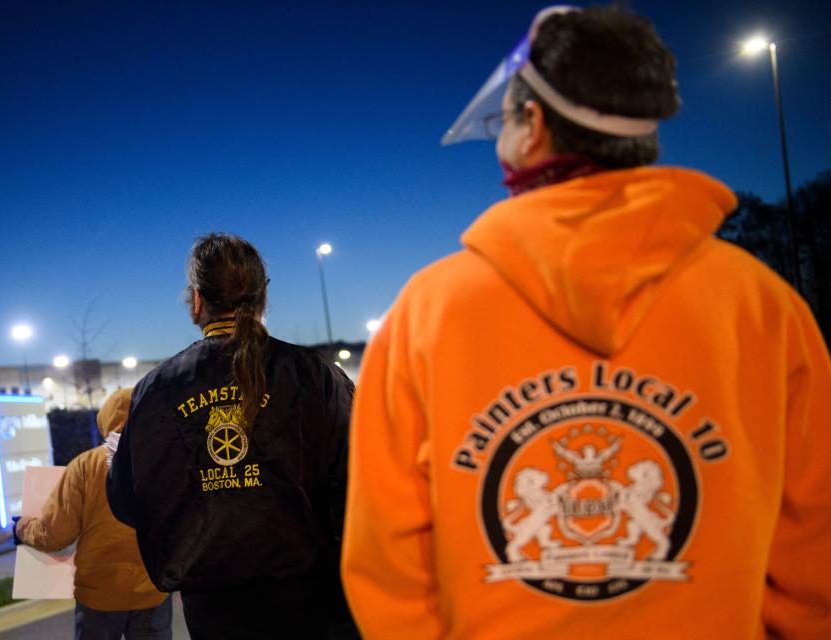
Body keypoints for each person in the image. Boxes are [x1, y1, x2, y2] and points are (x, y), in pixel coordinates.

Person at [341, 5, 831, 639]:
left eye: (502, 121)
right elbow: (813, 544)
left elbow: (387, 558)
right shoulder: (762, 303)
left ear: (532, 124)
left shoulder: (429, 310)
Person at [107, 233, 356, 639]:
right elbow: (359, 480)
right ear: (263, 298)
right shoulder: (315, 376)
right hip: (312, 601)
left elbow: (126, 501)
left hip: (211, 607)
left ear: (198, 301)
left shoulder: (156, 390)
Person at [14, 388, 172, 640]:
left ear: (106, 420)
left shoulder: (85, 466)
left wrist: (22, 528)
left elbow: (55, 534)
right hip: (154, 590)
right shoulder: (165, 462)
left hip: (99, 595)